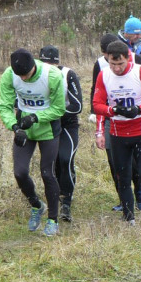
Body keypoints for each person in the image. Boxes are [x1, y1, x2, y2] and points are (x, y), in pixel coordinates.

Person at [92, 40, 141, 231]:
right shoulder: (104, 75)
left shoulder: (140, 72)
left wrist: (139, 109)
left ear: (128, 58)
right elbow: (96, 104)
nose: (116, 68)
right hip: (118, 133)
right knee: (122, 177)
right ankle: (128, 217)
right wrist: (112, 110)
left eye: (120, 64)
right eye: (112, 64)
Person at [0, 48, 66, 237]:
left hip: (48, 129)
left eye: (27, 75)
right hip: (24, 129)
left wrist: (36, 118)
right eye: (21, 77)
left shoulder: (52, 75)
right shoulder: (10, 75)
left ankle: (53, 219)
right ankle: (37, 205)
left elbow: (59, 109)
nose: (24, 79)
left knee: (47, 173)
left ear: (33, 67)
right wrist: (14, 127)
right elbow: (4, 105)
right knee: (19, 172)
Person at [90, 33, 141, 213]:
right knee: (114, 160)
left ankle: (139, 192)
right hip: (109, 117)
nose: (111, 61)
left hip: (135, 117)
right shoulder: (99, 65)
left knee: (135, 161)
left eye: (114, 59)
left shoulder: (136, 60)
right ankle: (123, 200)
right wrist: (96, 114)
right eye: (107, 56)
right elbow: (95, 91)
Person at [39, 45, 83, 222]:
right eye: (44, 64)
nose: (48, 68)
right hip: (46, 125)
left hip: (66, 124)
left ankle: (66, 202)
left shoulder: (68, 74)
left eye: (52, 64)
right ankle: (54, 199)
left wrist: (55, 112)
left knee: (65, 160)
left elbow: (77, 105)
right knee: (51, 165)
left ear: (57, 63)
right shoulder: (34, 76)